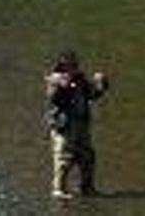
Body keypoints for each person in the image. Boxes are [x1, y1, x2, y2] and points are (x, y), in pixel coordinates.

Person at [45, 50, 109, 198]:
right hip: (65, 126)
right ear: (63, 66)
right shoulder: (56, 80)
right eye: (71, 65)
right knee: (64, 157)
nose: (74, 68)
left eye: (75, 65)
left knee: (87, 156)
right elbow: (54, 99)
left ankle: (87, 188)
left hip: (81, 124)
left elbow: (91, 94)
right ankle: (58, 189)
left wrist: (100, 85)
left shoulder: (80, 79)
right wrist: (61, 86)